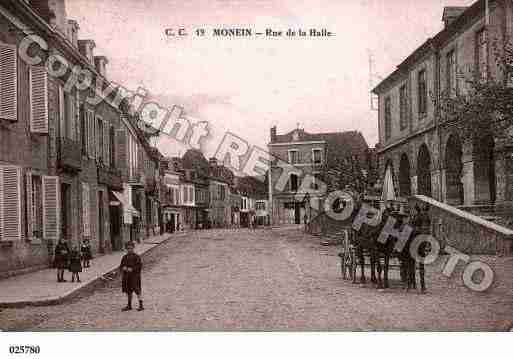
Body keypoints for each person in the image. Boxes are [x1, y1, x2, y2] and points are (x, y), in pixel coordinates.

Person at [120, 242, 144, 311]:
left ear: (133, 248)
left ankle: (141, 305)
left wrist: (132, 269)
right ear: (126, 249)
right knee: (128, 291)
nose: (129, 250)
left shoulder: (136, 257)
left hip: (135, 277)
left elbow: (139, 266)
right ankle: (129, 305)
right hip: (126, 277)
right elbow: (121, 265)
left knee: (137, 291)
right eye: (128, 248)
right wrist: (123, 268)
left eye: (131, 248)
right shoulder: (124, 257)